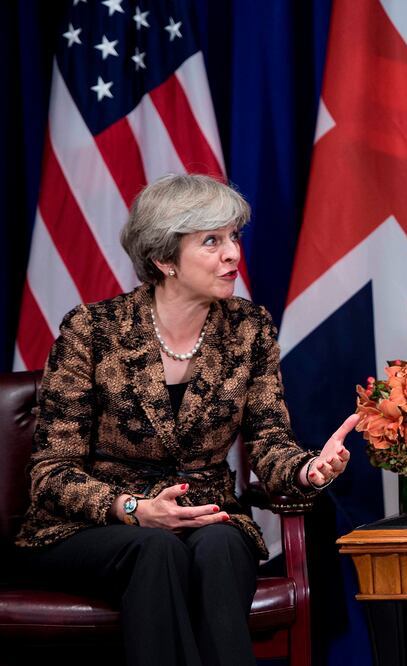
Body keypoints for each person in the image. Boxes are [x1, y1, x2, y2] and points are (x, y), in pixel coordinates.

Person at [15, 174, 359, 665]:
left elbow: (268, 439)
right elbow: (51, 473)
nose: (233, 254)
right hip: (91, 526)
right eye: (212, 241)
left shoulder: (249, 328)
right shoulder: (92, 329)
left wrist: (307, 470)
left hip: (207, 514)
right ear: (164, 260)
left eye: (234, 237)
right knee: (156, 550)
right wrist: (134, 509)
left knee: (221, 543)